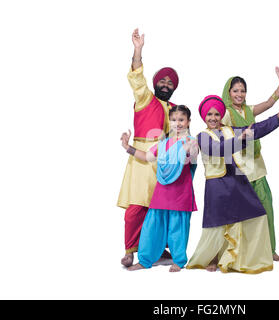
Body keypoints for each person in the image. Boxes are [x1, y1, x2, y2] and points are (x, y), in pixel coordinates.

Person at [186, 95, 279, 274]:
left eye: (217, 114)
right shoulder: (202, 136)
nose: (213, 118)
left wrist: (276, 118)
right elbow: (217, 150)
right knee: (217, 223)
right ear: (204, 117)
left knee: (255, 214)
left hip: (236, 180)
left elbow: (255, 129)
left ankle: (242, 255)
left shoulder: (230, 130)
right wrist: (241, 139)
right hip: (216, 185)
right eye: (209, 114)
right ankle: (213, 257)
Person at [117, 28, 180, 267]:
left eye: (170, 82)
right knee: (136, 207)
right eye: (162, 80)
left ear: (174, 87)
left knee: (162, 206)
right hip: (141, 160)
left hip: (164, 161)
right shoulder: (146, 100)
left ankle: (156, 247)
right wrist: (138, 51)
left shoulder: (175, 108)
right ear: (155, 83)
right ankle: (130, 251)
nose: (165, 84)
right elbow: (137, 80)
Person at [120, 105, 198, 272]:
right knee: (152, 226)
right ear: (169, 122)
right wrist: (128, 147)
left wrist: (188, 150)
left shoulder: (191, 142)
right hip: (162, 192)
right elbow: (147, 156)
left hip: (180, 193)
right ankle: (145, 260)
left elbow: (192, 157)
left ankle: (178, 260)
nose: (178, 123)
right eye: (174, 120)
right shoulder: (163, 143)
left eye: (181, 120)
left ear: (188, 122)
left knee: (178, 227)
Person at [221, 69, 279, 261]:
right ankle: (235, 252)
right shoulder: (225, 113)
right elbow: (224, 139)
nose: (239, 95)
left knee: (266, 208)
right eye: (235, 91)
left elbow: (268, 103)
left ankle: (270, 248)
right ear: (228, 92)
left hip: (257, 167)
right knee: (240, 214)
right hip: (239, 170)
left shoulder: (248, 110)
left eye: (242, 91)